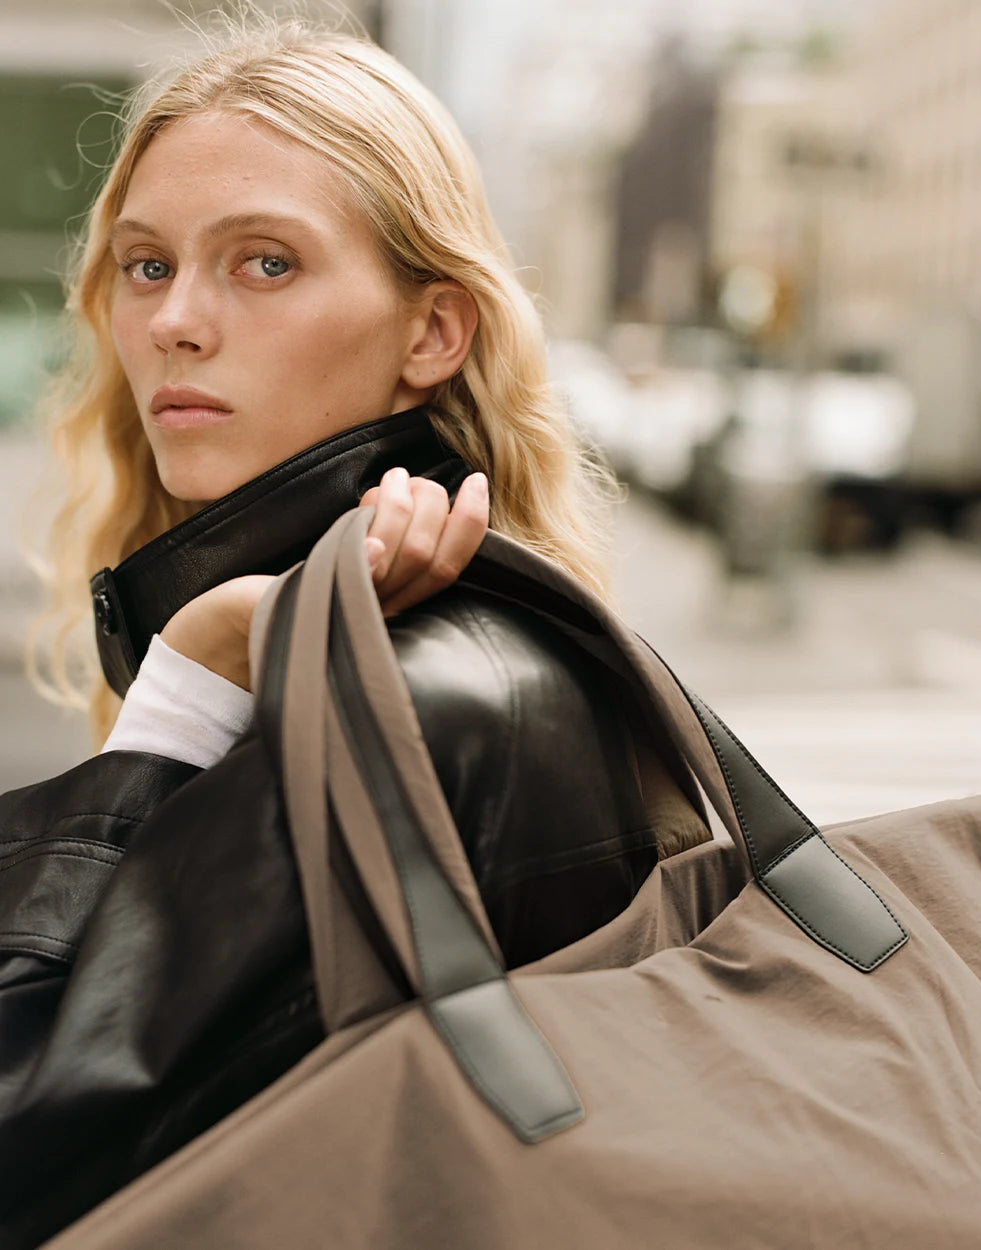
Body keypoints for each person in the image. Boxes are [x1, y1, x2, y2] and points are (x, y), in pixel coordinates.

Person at [0, 13, 710, 1247]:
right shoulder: (475, 647)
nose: (174, 320)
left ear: (433, 331)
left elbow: (26, 1134)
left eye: (264, 262)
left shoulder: (385, 700)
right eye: (148, 264)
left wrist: (181, 693)